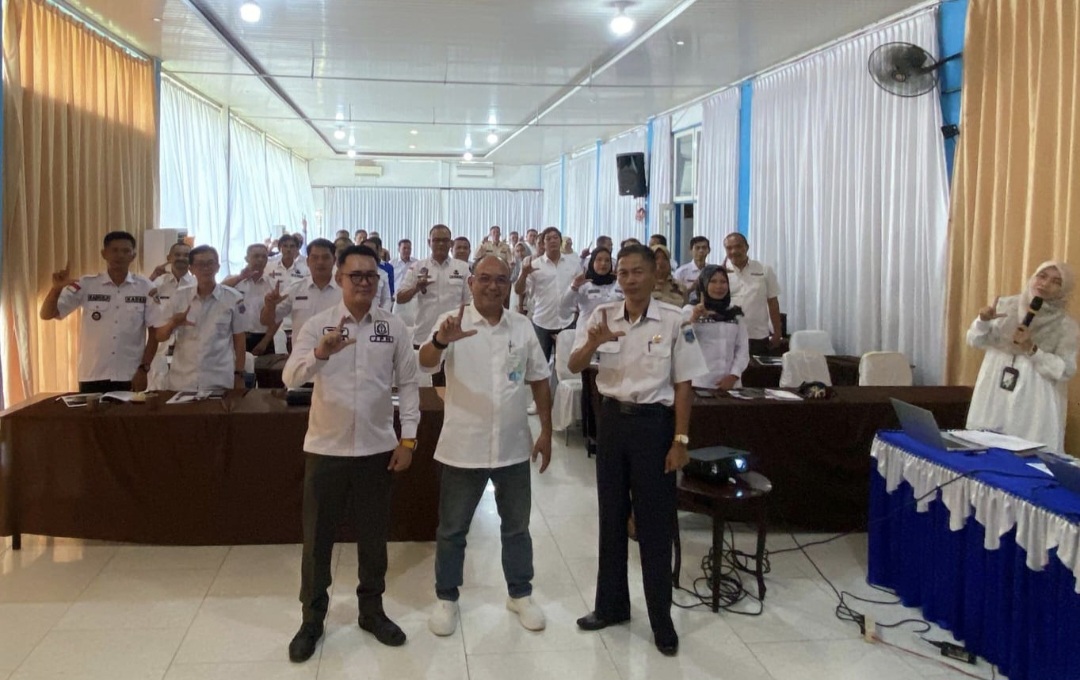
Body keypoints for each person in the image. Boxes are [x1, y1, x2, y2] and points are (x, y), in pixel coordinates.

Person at [567, 244, 707, 657]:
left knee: (653, 524)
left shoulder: (675, 320)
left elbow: (685, 384)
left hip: (654, 427)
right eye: (623, 273)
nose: (629, 279)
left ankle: (661, 620)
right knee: (611, 516)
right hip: (611, 423)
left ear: (654, 274)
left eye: (637, 272)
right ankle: (611, 606)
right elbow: (574, 366)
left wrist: (680, 441)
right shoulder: (602, 315)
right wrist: (592, 344)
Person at [283, 245, 420, 662]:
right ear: (340, 278)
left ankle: (371, 611)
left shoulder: (393, 327)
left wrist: (408, 440)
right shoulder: (317, 325)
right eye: (355, 275)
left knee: (374, 538)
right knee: (317, 540)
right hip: (326, 449)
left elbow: (408, 385)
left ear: (378, 281)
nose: (363, 282)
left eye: (370, 276)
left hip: (377, 450)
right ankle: (312, 619)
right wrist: (321, 354)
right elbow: (291, 377)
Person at [419, 256, 553, 636]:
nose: (493, 286)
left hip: (512, 446)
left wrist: (546, 430)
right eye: (485, 279)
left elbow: (539, 379)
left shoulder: (521, 326)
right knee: (452, 530)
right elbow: (425, 363)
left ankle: (520, 594)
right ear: (471, 282)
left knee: (517, 527)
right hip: (464, 447)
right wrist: (440, 341)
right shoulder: (452, 321)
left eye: (501, 280)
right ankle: (447, 598)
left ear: (509, 285)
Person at [966, 261, 1078, 453]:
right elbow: (974, 340)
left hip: (1033, 399)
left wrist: (1032, 349)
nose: (1045, 284)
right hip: (994, 389)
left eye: (1056, 282)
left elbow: (1065, 370)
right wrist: (982, 321)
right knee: (984, 451)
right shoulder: (1005, 306)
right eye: (1042, 276)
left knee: (1025, 455)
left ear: (1063, 290)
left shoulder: (1066, 325)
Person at [39, 231, 158, 393]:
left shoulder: (146, 287)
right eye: (114, 250)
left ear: (133, 256)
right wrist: (56, 290)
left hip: (131, 374)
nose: (120, 255)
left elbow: (154, 333)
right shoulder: (87, 284)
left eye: (125, 251)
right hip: (93, 374)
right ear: (104, 254)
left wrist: (144, 369)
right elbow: (46, 314)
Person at [154, 245, 246, 391]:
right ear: (191, 269)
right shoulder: (179, 297)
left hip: (219, 380)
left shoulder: (233, 298)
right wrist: (174, 323)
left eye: (210, 263)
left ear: (218, 267)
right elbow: (160, 336)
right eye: (200, 264)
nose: (206, 268)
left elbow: (239, 341)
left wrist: (239, 374)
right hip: (182, 380)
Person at [397, 225, 472, 385]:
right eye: (436, 240)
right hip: (424, 337)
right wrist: (416, 287)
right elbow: (399, 298)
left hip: (453, 339)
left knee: (453, 387)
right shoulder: (418, 267)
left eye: (445, 240)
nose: (440, 244)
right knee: (424, 389)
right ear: (428, 242)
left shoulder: (462, 268)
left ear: (450, 243)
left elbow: (470, 303)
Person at [514, 226, 581, 361]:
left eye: (555, 238)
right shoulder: (534, 265)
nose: (552, 241)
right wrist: (524, 274)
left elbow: (579, 291)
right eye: (548, 239)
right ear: (543, 244)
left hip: (567, 321)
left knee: (566, 365)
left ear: (560, 241)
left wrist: (577, 313)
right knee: (540, 365)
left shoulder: (573, 264)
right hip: (542, 322)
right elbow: (518, 290)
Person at [261, 239, 340, 350]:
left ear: (334, 260)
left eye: (325, 257)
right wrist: (270, 306)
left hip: (336, 353)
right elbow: (266, 321)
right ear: (307, 261)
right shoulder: (296, 289)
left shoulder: (345, 291)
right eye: (315, 257)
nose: (320, 262)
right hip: (302, 354)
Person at [684, 266, 749, 391]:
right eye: (713, 281)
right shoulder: (689, 311)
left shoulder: (735, 313)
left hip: (731, 385)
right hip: (699, 383)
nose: (719, 286)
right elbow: (686, 342)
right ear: (704, 284)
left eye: (723, 282)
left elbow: (742, 348)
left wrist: (734, 375)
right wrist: (694, 319)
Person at [723, 233, 783, 355]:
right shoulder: (720, 272)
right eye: (729, 248)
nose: (734, 251)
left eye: (738, 246)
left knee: (757, 367)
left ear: (747, 247)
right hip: (728, 335)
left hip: (757, 335)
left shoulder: (764, 270)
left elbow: (773, 302)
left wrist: (777, 332)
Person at [147, 242, 194, 390]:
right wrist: (152, 277)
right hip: (160, 348)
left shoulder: (198, 284)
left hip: (188, 348)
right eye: (177, 254)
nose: (181, 258)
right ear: (169, 258)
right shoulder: (157, 283)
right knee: (156, 391)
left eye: (186, 255)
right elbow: (142, 304)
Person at [222, 243, 279, 356]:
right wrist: (240, 278)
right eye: (256, 256)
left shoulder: (273, 285)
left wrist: (265, 342)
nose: (260, 260)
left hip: (262, 337)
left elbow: (278, 317)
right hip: (236, 336)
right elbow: (217, 291)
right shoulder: (235, 281)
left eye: (264, 257)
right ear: (246, 258)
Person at [563, 248, 622, 337]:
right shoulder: (584, 284)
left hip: (613, 335)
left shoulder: (618, 283)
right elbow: (565, 307)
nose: (603, 263)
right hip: (586, 335)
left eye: (607, 260)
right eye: (599, 260)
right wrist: (574, 287)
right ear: (592, 262)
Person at [362, 237, 395, 310]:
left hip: (376, 313)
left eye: (371, 251)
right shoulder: (352, 272)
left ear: (377, 252)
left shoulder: (383, 274)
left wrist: (382, 315)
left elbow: (386, 299)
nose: (368, 253)